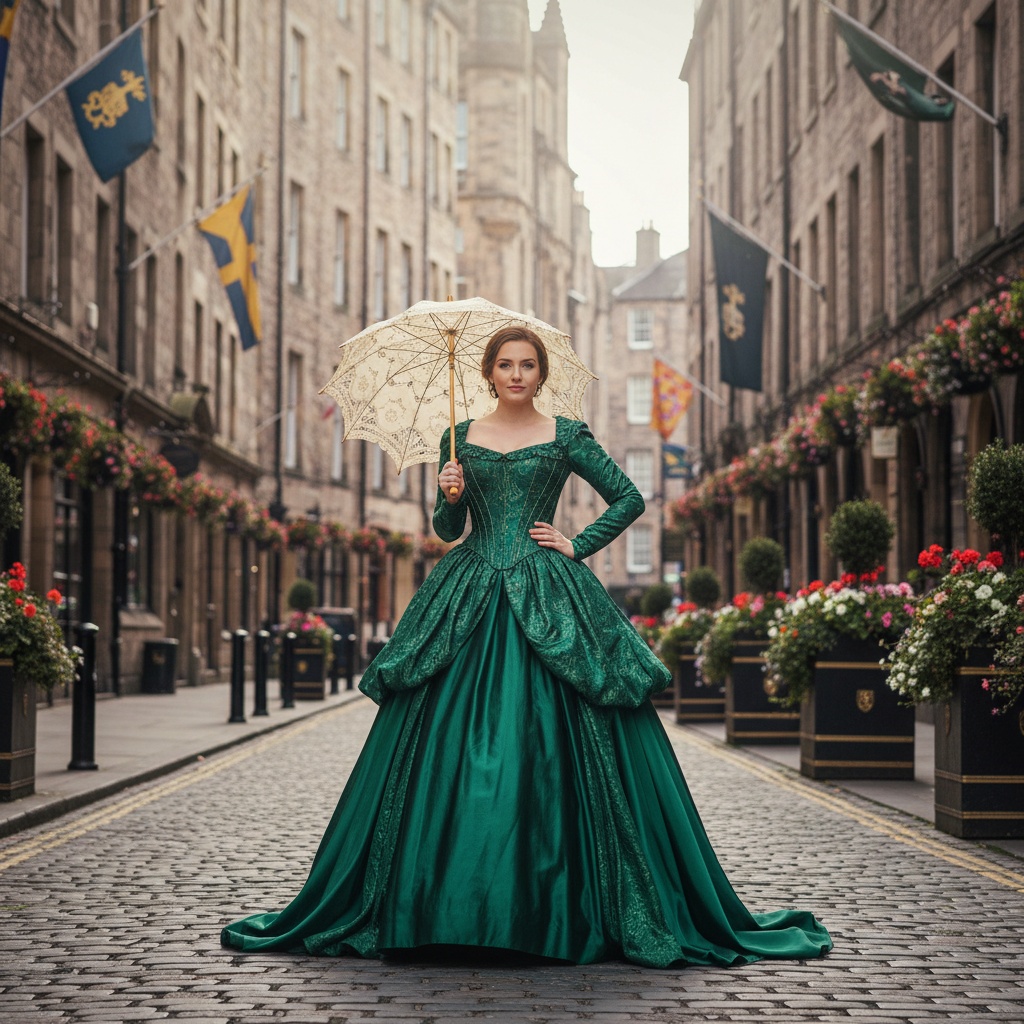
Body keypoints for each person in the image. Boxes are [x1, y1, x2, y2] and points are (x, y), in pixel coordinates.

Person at [221, 326, 832, 968]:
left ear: (541, 374)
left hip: (548, 586)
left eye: (528, 364)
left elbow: (629, 497)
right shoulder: (458, 437)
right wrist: (450, 496)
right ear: (488, 373)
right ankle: (436, 904)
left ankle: (563, 906)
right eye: (506, 364)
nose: (516, 374)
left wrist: (577, 543)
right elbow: (447, 530)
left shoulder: (566, 434)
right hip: (470, 589)